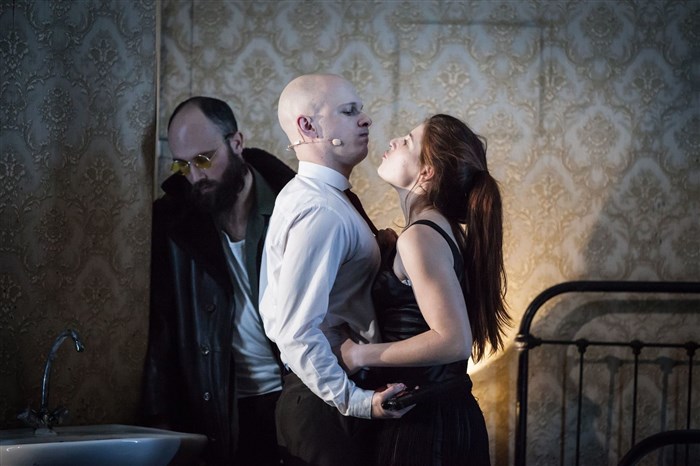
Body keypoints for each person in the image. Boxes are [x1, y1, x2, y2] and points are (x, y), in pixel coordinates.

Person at [337, 113, 510, 465]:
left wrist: (357, 355)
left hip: (426, 425)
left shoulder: (420, 237)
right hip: (437, 414)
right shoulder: (432, 231)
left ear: (428, 171)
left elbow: (453, 340)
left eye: (407, 141)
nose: (393, 141)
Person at [258, 73, 411, 466]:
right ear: (307, 127)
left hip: (326, 396)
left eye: (360, 110)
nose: (366, 119)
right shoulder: (320, 210)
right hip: (325, 404)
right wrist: (355, 401)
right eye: (348, 111)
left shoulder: (325, 199)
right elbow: (295, 329)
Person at [140, 96, 295, 466]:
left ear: (236, 142)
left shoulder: (292, 203)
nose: (195, 176)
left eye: (204, 159)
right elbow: (161, 325)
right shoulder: (173, 223)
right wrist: (158, 416)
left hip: (294, 395)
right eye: (183, 165)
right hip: (220, 406)